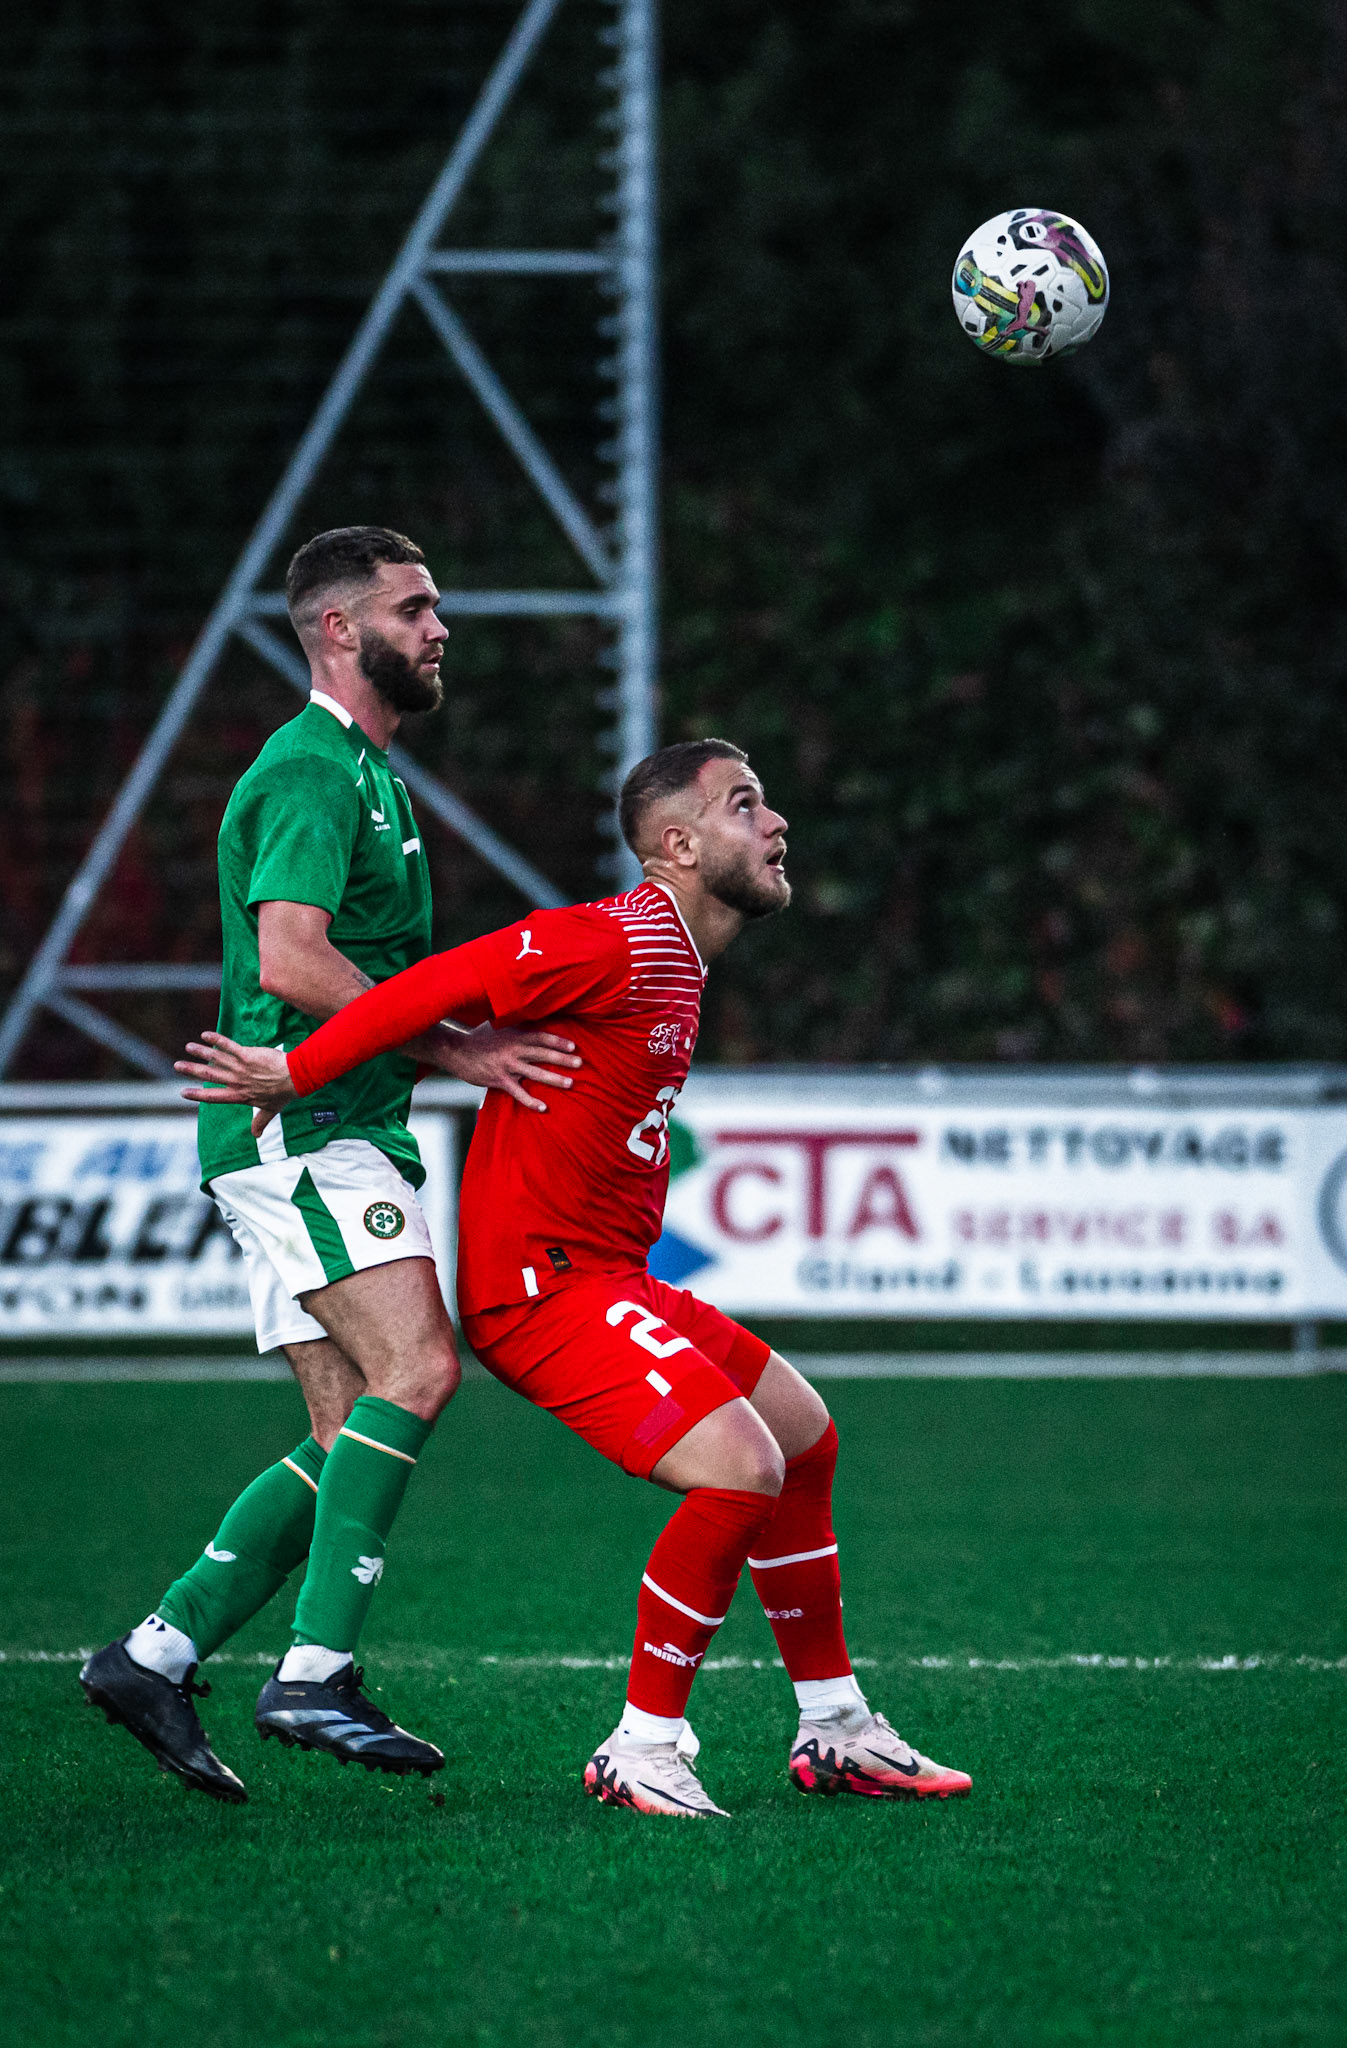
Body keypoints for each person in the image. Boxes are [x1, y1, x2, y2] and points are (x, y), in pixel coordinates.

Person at [178, 738, 972, 1818]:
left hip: (610, 1276)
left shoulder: (680, 956)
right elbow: (442, 981)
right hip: (541, 1290)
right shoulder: (619, 935)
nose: (777, 822)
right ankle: (643, 1745)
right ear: (678, 845)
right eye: (746, 805)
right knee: (738, 1466)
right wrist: (300, 1067)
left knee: (801, 1433)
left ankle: (835, 1725)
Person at [80, 525, 579, 1803]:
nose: (440, 628)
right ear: (340, 630)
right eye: (414, 609)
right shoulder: (311, 769)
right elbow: (294, 956)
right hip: (302, 1129)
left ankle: (156, 1652)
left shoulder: (366, 770)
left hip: (326, 1124)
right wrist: (459, 1043)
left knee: (345, 1421)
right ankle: (312, 1668)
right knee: (418, 1369)